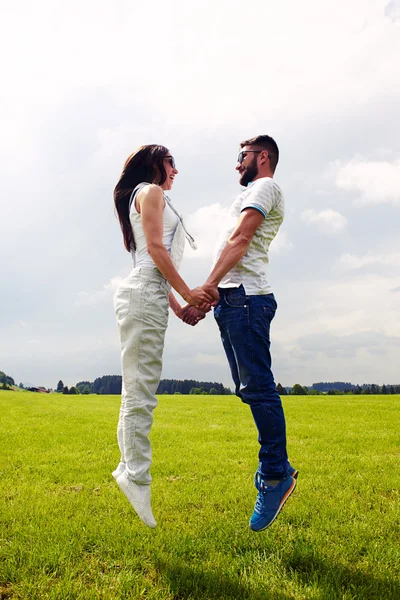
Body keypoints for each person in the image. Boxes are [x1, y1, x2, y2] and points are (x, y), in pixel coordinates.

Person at [183, 135, 297, 532]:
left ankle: (276, 474)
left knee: (259, 387)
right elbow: (232, 251)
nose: (237, 165)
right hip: (235, 299)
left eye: (241, 157)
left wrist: (205, 292)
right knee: (248, 389)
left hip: (247, 299)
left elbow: (241, 240)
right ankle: (277, 469)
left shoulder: (265, 186)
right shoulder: (254, 191)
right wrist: (204, 301)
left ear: (262, 157)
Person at [113, 145, 213, 528]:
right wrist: (189, 294)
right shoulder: (150, 192)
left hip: (149, 296)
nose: (176, 171)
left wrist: (179, 306)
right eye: (172, 163)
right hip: (143, 295)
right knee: (141, 391)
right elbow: (154, 249)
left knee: (136, 387)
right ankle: (136, 476)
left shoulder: (150, 196)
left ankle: (128, 467)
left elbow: (152, 260)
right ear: (155, 164)